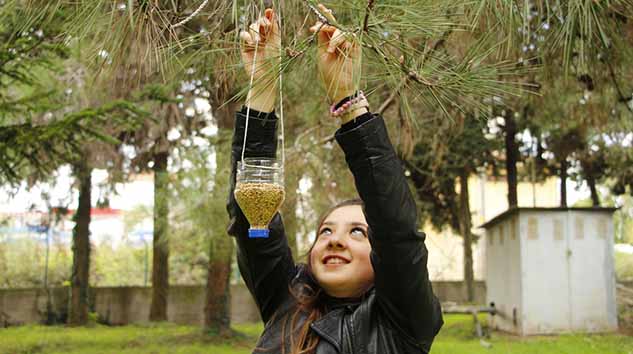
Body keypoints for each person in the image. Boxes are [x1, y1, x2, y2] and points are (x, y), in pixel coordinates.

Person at [227, 5, 443, 354]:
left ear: (383, 259)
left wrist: (349, 100)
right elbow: (253, 212)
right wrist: (263, 87)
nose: (334, 241)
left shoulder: (405, 321)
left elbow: (395, 227)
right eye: (325, 231)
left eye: (358, 232)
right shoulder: (287, 305)